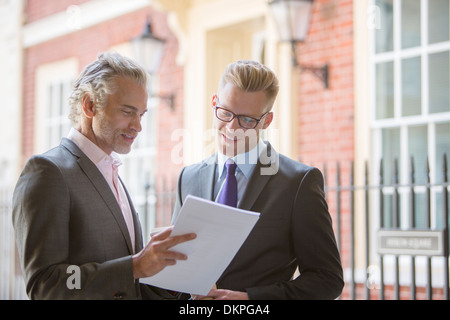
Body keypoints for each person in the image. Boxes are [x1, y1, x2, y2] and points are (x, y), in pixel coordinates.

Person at [12, 52, 195, 300]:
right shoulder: (47, 172)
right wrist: (134, 266)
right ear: (89, 105)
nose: (138, 126)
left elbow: (131, 284)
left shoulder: (113, 173)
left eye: (141, 114)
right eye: (128, 112)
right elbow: (45, 284)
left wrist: (182, 287)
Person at [171, 60, 343, 300]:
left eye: (247, 120)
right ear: (214, 103)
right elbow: (178, 268)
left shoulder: (298, 183)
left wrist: (251, 299)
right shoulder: (187, 178)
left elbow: (327, 279)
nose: (232, 127)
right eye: (225, 113)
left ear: (267, 121)